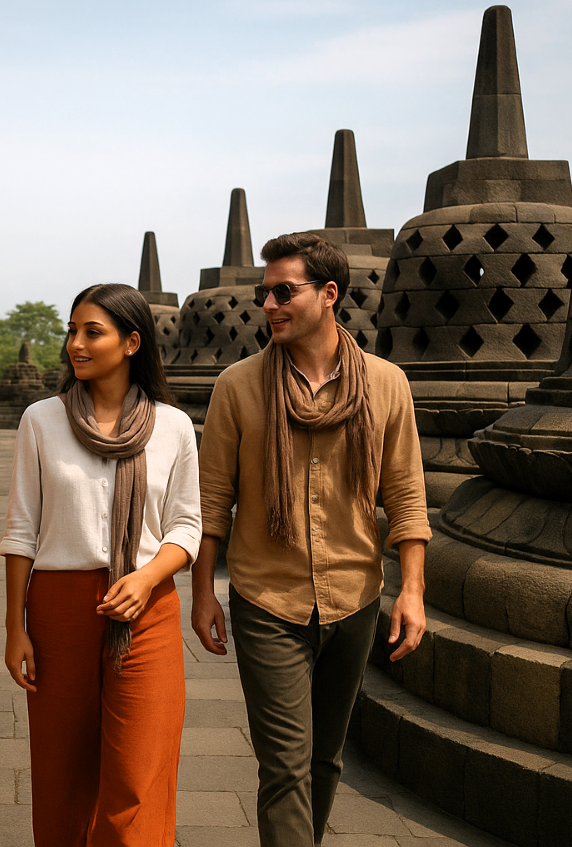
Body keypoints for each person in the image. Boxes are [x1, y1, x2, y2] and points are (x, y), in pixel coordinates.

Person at [191, 232, 431, 847]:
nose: (269, 303)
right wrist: (202, 593)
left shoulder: (384, 384)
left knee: (325, 762)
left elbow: (404, 494)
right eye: (264, 292)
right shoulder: (238, 386)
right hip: (267, 597)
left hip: (354, 595)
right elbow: (212, 500)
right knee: (285, 769)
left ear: (328, 294)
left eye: (283, 291)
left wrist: (413, 593)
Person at [1, 283, 202, 846]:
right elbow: (21, 531)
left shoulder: (172, 426)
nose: (75, 344)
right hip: (59, 610)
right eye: (72, 331)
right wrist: (14, 628)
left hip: (146, 607)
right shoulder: (43, 420)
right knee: (62, 773)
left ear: (132, 342)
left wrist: (146, 577)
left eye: (93, 332)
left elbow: (187, 525)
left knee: (139, 774)